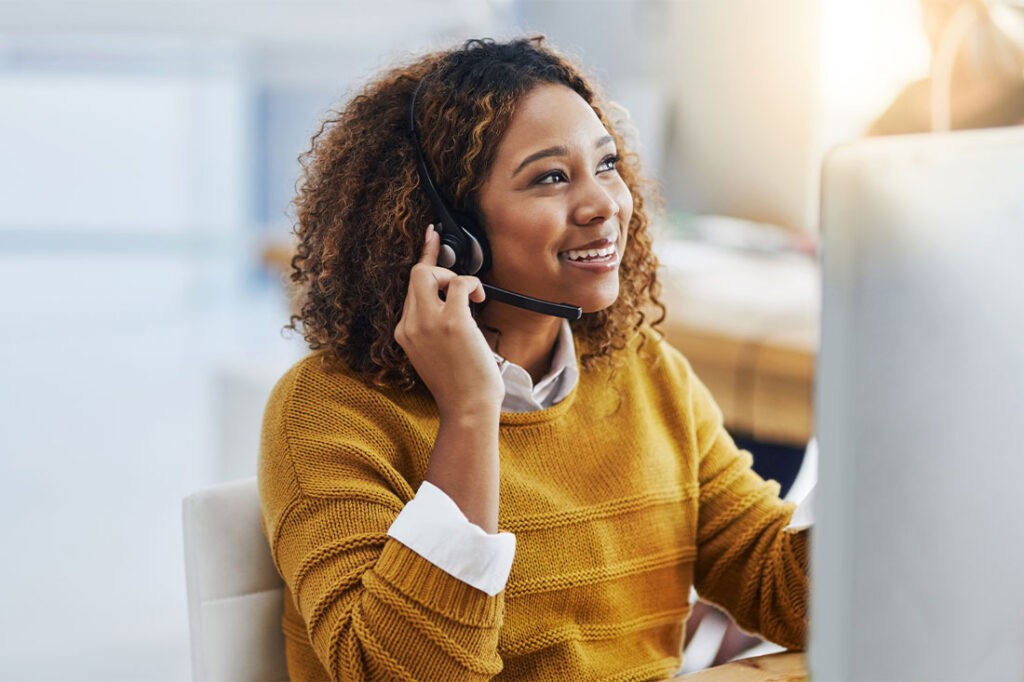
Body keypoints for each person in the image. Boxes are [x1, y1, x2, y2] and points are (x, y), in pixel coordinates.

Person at [258, 37, 808, 681]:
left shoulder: (643, 369)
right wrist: (469, 413)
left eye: (606, 166)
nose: (605, 204)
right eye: (551, 177)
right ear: (447, 232)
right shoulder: (327, 412)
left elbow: (781, 588)